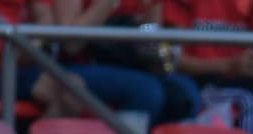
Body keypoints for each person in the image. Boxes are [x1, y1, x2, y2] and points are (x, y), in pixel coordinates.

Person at [54, 0, 202, 126]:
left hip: (131, 65)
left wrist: (159, 50)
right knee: (146, 91)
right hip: (80, 65)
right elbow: (71, 45)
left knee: (185, 94)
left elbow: (151, 38)